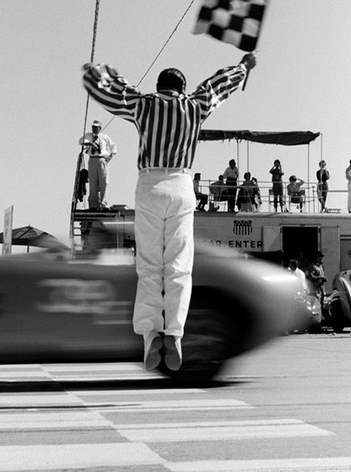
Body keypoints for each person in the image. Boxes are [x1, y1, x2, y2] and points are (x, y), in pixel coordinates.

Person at [82, 53, 256, 371]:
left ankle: (151, 336)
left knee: (150, 266)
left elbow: (115, 91)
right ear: (182, 88)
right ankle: (174, 334)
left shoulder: (144, 104)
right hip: (180, 185)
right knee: (178, 266)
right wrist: (243, 67)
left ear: (159, 87)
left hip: (150, 185)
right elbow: (219, 85)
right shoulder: (194, 105)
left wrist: (94, 74)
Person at [79, 121, 117, 210]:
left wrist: (110, 156)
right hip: (92, 160)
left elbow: (113, 147)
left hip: (102, 160)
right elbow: (81, 141)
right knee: (93, 183)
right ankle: (93, 204)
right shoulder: (89, 136)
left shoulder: (104, 137)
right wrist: (91, 144)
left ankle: (104, 204)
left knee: (103, 182)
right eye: (93, 127)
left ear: (100, 128)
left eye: (96, 127)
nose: (94, 129)